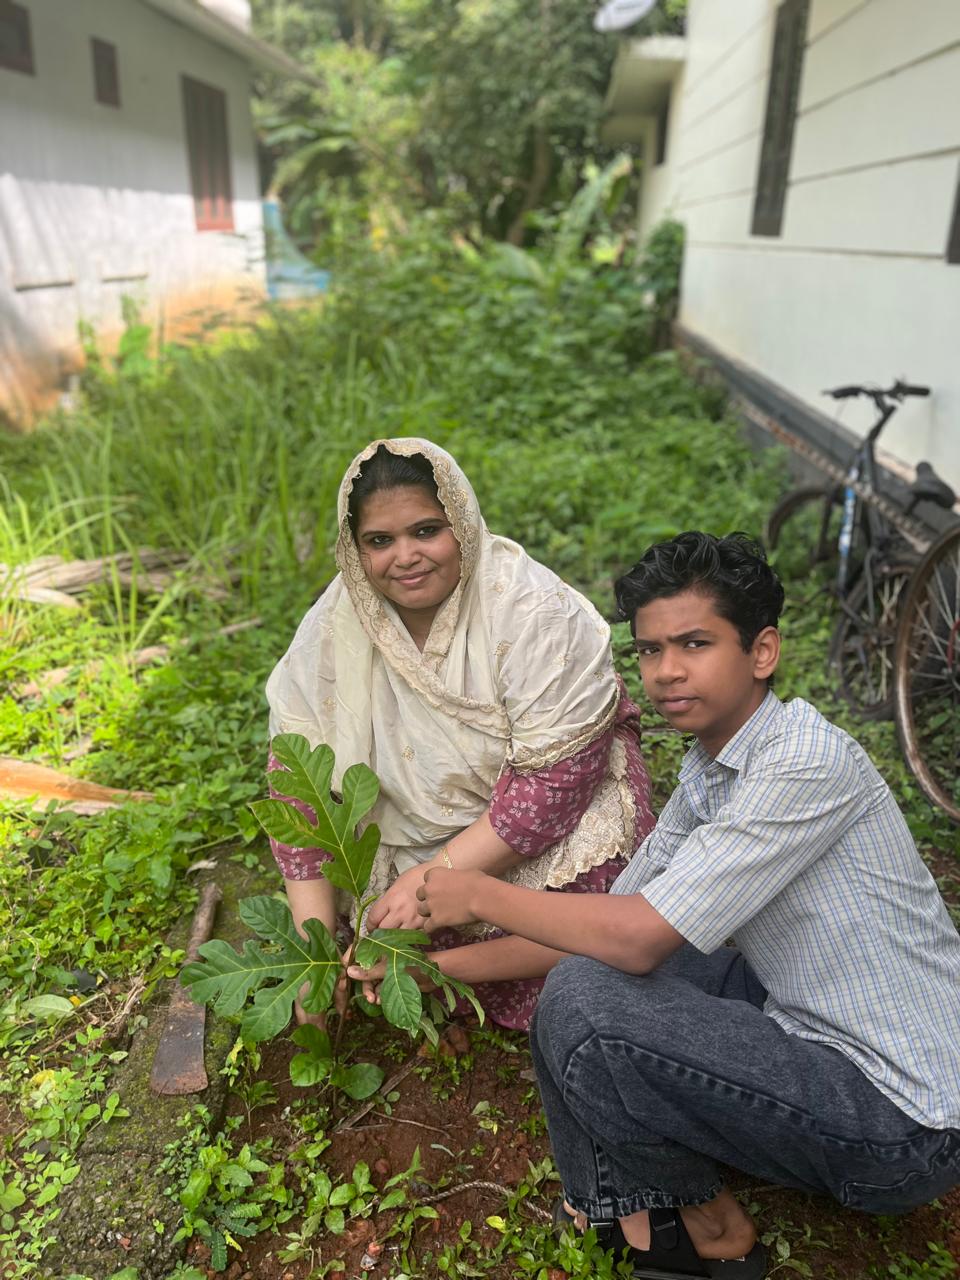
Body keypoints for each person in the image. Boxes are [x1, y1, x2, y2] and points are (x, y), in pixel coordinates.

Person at [406, 531, 960, 1280]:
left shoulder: (804, 762)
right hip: (803, 1015)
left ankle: (708, 1223)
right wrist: (433, 971)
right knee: (591, 975)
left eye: (694, 644)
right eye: (649, 650)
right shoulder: (711, 771)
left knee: (587, 1001)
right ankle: (620, 1205)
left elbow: (632, 939)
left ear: (762, 652)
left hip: (903, 1120)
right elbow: (609, 923)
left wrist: (476, 892)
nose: (666, 671)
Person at [264, 437, 655, 1031]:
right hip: (410, 831)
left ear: (463, 525)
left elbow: (553, 787)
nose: (405, 557)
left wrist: (432, 878)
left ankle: (448, 967)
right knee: (365, 930)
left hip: (535, 826)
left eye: (426, 531)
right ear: (354, 549)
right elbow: (299, 790)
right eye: (379, 541)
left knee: (602, 912)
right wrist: (312, 955)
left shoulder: (533, 611)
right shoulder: (335, 627)